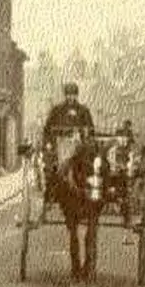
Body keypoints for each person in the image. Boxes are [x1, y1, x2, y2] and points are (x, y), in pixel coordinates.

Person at [40, 82, 95, 215]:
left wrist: (86, 136)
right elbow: (47, 129)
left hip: (78, 146)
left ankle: (87, 192)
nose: (71, 98)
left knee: (87, 164)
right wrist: (48, 143)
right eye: (69, 95)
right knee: (50, 168)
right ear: (65, 95)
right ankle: (50, 194)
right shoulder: (57, 110)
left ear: (77, 95)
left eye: (74, 95)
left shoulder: (83, 110)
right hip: (60, 145)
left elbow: (91, 130)